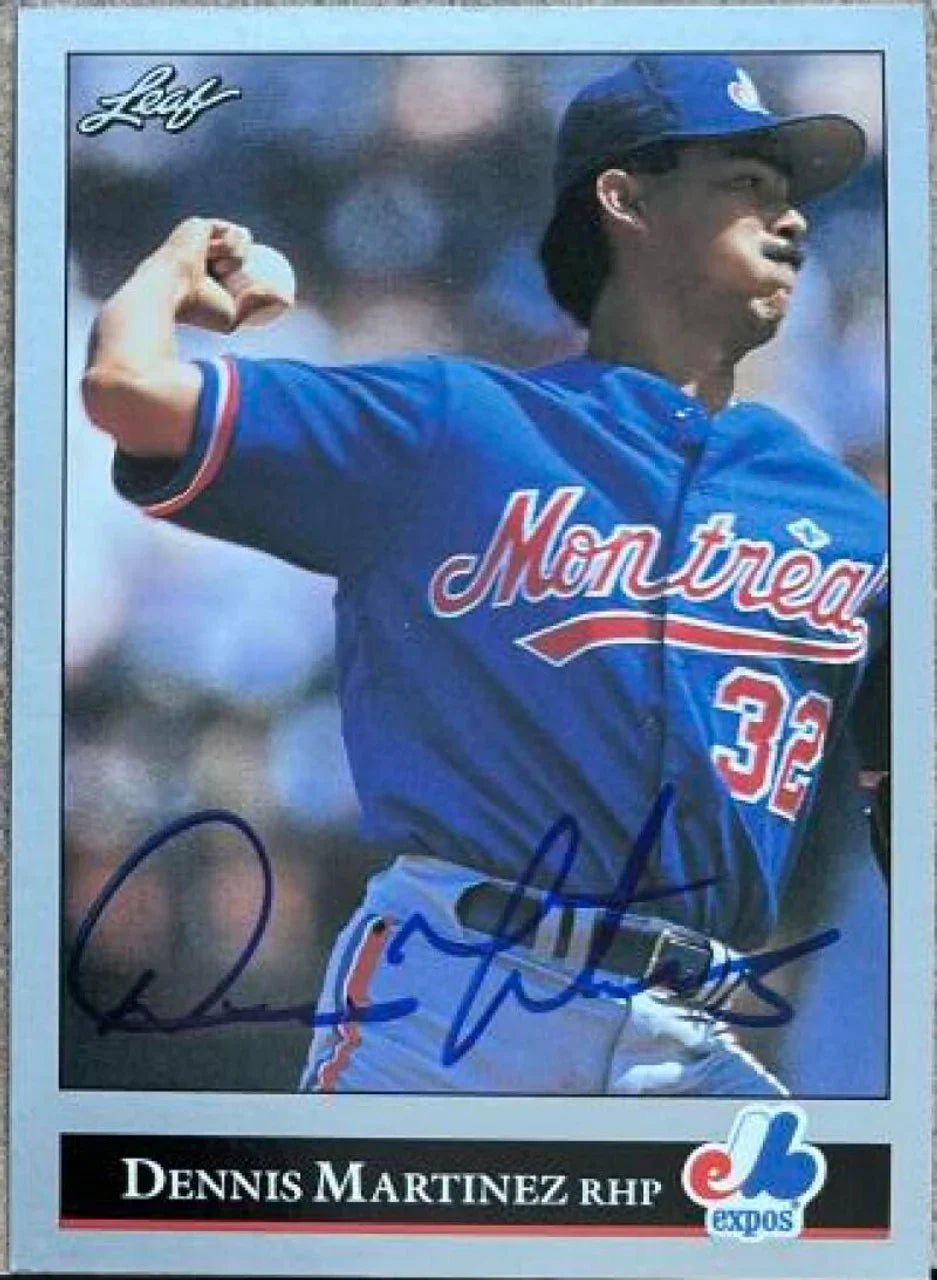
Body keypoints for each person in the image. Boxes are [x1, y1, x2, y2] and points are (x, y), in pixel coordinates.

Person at [81, 54, 887, 1096]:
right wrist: (177, 261)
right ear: (627, 202)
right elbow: (128, 388)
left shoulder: (842, 513)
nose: (792, 220)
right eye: (747, 185)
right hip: (454, 998)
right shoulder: (455, 426)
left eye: (790, 196)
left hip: (694, 1031)